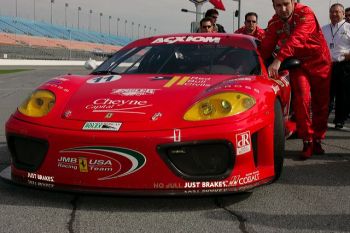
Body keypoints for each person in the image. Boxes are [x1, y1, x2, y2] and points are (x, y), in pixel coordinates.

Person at [259, 0, 332, 159]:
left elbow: (298, 38)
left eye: (286, 4)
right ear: (273, 6)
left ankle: (318, 139)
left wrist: (278, 60)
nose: (283, 9)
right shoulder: (274, 22)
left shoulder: (305, 13)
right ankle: (307, 141)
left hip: (320, 62)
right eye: (278, 5)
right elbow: (265, 47)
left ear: (293, 2)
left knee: (321, 104)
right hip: (298, 64)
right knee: (301, 100)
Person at [322, 4, 350, 129]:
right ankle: (323, 118)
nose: (334, 14)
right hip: (327, 65)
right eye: (332, 12)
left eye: (337, 12)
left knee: (342, 94)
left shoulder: (348, 27)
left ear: (343, 14)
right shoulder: (324, 29)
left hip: (344, 65)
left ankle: (340, 119)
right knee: (327, 93)